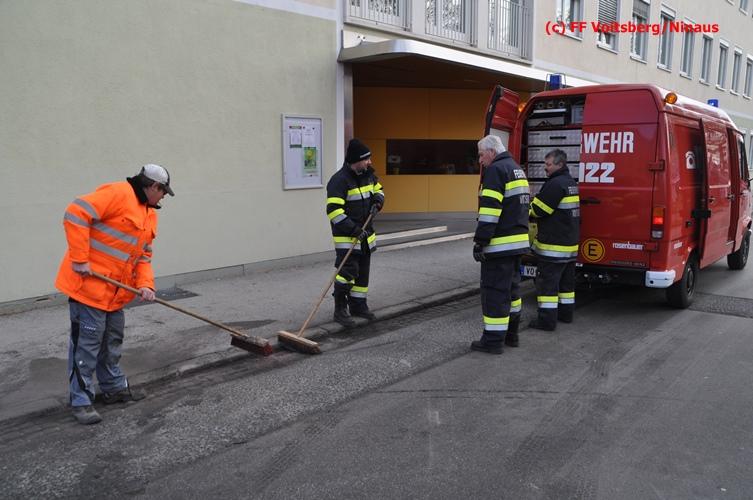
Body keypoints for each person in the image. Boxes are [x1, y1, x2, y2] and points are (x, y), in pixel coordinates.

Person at [55, 164, 174, 424]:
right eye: (164, 192)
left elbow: (143, 256)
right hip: (88, 289)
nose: (164, 197)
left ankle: (114, 388)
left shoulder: (149, 214)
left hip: (115, 295)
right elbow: (76, 212)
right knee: (86, 348)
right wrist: (80, 258)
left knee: (112, 343)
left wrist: (146, 285)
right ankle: (81, 401)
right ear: (154, 186)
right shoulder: (118, 193)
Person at [471, 135, 530, 354]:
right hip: (516, 245)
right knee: (512, 292)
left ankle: (493, 341)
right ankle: (511, 335)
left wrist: (480, 242)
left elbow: (490, 211)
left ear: (492, 152)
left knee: (495, 293)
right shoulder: (517, 169)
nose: (480, 160)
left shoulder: (496, 170)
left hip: (499, 247)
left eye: (481, 155)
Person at [325, 139, 385, 327]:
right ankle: (340, 310)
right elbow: (334, 211)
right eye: (366, 159)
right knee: (346, 274)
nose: (369, 162)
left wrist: (378, 201)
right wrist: (353, 229)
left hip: (365, 237)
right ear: (356, 160)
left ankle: (358, 306)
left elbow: (379, 190)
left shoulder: (368, 175)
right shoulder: (339, 181)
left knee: (362, 276)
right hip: (348, 238)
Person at [529, 149, 580, 331]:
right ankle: (566, 315)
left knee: (547, 287)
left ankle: (546, 322)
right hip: (569, 245)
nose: (545, 168)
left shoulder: (555, 184)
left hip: (553, 247)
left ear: (560, 164)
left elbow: (538, 211)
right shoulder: (570, 182)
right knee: (566, 286)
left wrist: (526, 207)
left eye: (548, 164)